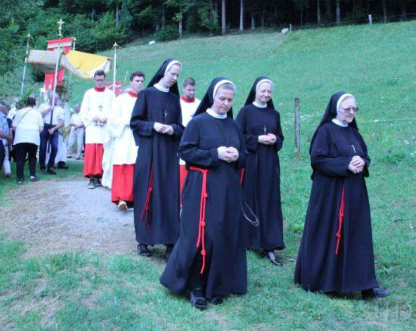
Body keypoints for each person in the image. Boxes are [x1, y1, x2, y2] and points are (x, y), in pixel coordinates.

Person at [160, 77, 247, 310]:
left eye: (229, 100)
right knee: (202, 236)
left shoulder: (234, 126)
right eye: (222, 98)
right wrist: (215, 154)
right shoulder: (198, 123)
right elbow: (185, 151)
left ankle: (216, 285)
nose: (225, 104)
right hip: (202, 189)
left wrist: (237, 156)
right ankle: (196, 286)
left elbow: (245, 155)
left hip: (228, 190)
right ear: (212, 97)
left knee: (223, 235)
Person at [294, 92, 389, 299]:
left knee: (358, 235)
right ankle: (327, 282)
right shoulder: (325, 131)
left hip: (355, 193)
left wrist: (362, 162)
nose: (352, 112)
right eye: (348, 109)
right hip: (331, 194)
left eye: (354, 108)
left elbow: (364, 155)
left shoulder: (353, 132)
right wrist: (346, 164)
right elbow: (318, 160)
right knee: (330, 233)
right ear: (336, 109)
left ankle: (365, 284)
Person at [130, 59, 184, 260]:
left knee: (169, 194)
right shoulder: (146, 94)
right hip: (149, 153)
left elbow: (180, 127)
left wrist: (172, 129)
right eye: (172, 74)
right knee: (147, 191)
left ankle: (170, 241)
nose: (174, 78)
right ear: (163, 72)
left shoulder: (174, 99)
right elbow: (135, 122)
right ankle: (144, 240)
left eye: (177, 75)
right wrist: (153, 126)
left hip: (169, 155)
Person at [236, 77, 285, 266]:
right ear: (255, 91)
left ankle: (269, 243)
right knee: (251, 198)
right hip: (251, 162)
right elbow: (237, 136)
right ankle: (249, 239)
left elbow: (280, 138)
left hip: (270, 164)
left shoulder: (275, 114)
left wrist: (275, 139)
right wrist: (257, 139)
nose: (266, 94)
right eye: (263, 91)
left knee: (269, 200)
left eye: (269, 91)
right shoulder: (246, 112)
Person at [110, 71, 145, 210]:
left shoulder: (144, 99)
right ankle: (121, 198)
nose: (140, 83)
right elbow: (113, 119)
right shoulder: (121, 99)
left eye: (141, 81)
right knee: (123, 166)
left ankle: (135, 198)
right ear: (131, 82)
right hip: (124, 136)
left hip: (139, 137)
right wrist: (128, 121)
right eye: (137, 81)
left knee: (137, 166)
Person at [80, 70, 115, 189]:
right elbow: (84, 110)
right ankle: (91, 178)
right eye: (97, 80)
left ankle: (101, 177)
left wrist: (107, 118)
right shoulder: (89, 93)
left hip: (105, 127)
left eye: (102, 80)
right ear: (94, 80)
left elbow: (114, 110)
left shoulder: (110, 94)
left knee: (104, 151)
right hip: (93, 128)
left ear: (105, 80)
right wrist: (92, 117)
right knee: (92, 152)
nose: (100, 82)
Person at [12, 97, 44, 183]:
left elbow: (14, 126)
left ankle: (20, 178)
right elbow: (41, 128)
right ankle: (32, 176)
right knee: (32, 157)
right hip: (33, 137)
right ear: (34, 104)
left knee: (20, 158)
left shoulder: (19, 112)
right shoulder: (37, 113)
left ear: (26, 103)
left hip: (20, 137)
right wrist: (34, 132)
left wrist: (20, 132)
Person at [179, 77, 200, 197]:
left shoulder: (198, 104)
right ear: (183, 88)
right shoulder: (177, 103)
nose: (192, 92)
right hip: (180, 140)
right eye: (189, 90)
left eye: (193, 90)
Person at [38, 92, 64, 175]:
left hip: (54, 128)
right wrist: (49, 109)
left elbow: (62, 122)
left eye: (56, 99)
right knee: (42, 147)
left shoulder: (60, 109)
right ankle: (42, 167)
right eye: (54, 99)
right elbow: (39, 115)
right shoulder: (43, 106)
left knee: (55, 147)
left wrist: (54, 128)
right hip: (44, 127)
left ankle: (50, 166)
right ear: (50, 98)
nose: (55, 100)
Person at [0, 102, 11, 184]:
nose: (8, 110)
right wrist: (9, 138)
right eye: (7, 108)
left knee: (0, 159)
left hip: (0, 141)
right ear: (3, 108)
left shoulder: (3, 117)